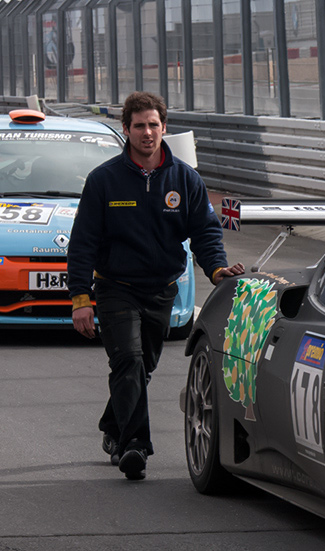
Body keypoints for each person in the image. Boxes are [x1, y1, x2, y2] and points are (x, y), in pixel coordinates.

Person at [67, 91, 245, 481]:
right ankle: (135, 445)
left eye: (153, 125)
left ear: (164, 128)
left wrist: (217, 270)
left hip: (162, 289)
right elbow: (82, 243)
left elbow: (205, 233)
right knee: (127, 361)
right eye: (138, 126)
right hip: (115, 288)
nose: (147, 132)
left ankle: (113, 426)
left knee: (140, 369)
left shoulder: (185, 179)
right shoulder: (103, 181)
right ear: (126, 130)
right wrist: (81, 298)